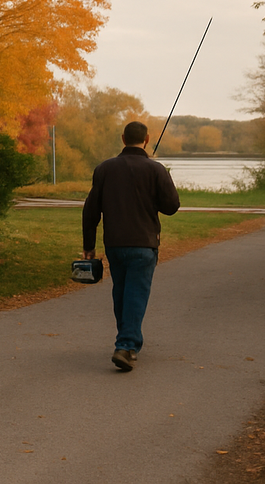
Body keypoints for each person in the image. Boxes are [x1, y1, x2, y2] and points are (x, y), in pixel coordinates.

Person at [82, 120, 179, 371]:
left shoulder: (104, 169)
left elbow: (91, 210)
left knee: (122, 292)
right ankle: (126, 345)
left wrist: (89, 246)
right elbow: (172, 206)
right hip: (144, 244)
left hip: (115, 244)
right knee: (136, 294)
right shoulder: (156, 169)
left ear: (123, 139)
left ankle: (127, 343)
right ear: (147, 140)